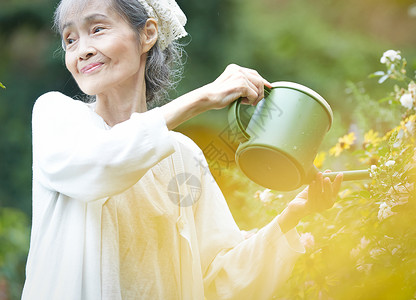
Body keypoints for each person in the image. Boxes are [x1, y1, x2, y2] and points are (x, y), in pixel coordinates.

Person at [22, 0, 343, 299]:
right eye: (70, 39)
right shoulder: (57, 116)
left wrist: (290, 218)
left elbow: (218, 278)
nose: (82, 50)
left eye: (97, 29)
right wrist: (203, 98)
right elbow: (102, 164)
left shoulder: (183, 156)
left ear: (147, 34)